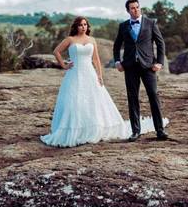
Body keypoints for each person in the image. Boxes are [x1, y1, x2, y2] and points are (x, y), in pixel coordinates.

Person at [40, 16, 164, 147]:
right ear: (76, 27)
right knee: (74, 101)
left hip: (89, 73)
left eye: (85, 25)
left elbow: (96, 60)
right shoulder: (70, 39)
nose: (83, 27)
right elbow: (56, 51)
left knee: (93, 101)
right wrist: (64, 65)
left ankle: (94, 127)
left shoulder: (91, 40)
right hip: (74, 74)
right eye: (81, 25)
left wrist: (99, 75)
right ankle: (74, 129)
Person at [113, 0, 170, 142]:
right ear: (128, 10)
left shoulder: (151, 23)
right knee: (133, 98)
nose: (135, 10)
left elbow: (160, 43)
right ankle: (135, 131)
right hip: (130, 66)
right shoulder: (123, 26)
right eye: (132, 8)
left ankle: (160, 130)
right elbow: (116, 45)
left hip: (148, 66)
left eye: (137, 7)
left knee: (153, 95)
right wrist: (117, 61)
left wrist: (159, 62)